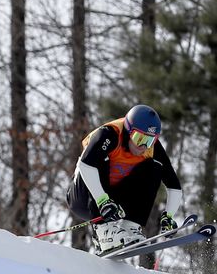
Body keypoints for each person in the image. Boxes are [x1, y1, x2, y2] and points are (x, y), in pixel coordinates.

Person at [66, 104, 183, 254]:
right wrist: (102, 200)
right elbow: (86, 165)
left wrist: (169, 215)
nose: (142, 146)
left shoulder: (153, 149)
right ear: (128, 131)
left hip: (113, 200)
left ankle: (130, 227)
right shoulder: (110, 134)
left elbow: (174, 185)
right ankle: (104, 231)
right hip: (82, 197)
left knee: (153, 168)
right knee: (101, 158)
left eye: (149, 141)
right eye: (139, 138)